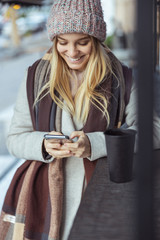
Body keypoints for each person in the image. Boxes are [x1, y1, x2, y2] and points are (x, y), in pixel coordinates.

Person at [0, 0, 160, 240]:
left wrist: (94, 144)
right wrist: (43, 144)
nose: (72, 52)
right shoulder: (34, 76)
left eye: (82, 43)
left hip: (99, 188)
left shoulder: (123, 78)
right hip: (41, 195)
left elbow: (153, 132)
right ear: (54, 41)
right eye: (63, 43)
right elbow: (14, 138)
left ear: (96, 40)